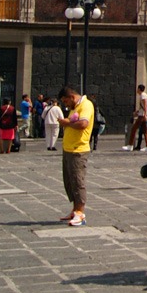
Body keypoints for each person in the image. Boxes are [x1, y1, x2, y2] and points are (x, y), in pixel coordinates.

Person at [57, 86, 95, 226]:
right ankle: (75, 209)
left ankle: (80, 213)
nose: (65, 105)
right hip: (68, 149)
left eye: (66, 101)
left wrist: (67, 122)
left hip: (78, 150)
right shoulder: (75, 107)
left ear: (72, 97)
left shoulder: (86, 105)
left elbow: (83, 123)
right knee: (69, 181)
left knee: (78, 181)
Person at [123, 84, 147, 152]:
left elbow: (145, 105)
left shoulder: (142, 95)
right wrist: (138, 112)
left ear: (139, 89)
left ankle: (130, 145)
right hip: (142, 114)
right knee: (145, 131)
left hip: (142, 116)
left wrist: (144, 114)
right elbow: (144, 106)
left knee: (134, 129)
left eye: (137, 89)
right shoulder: (144, 95)